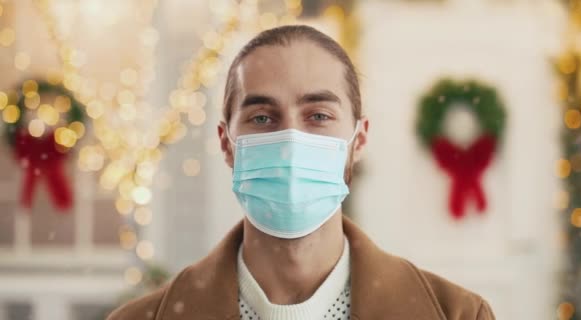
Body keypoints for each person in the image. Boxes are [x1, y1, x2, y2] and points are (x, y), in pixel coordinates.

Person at [107, 25, 495, 320]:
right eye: (262, 117)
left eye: (319, 116)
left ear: (358, 141)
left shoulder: (458, 314)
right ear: (227, 143)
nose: (291, 140)